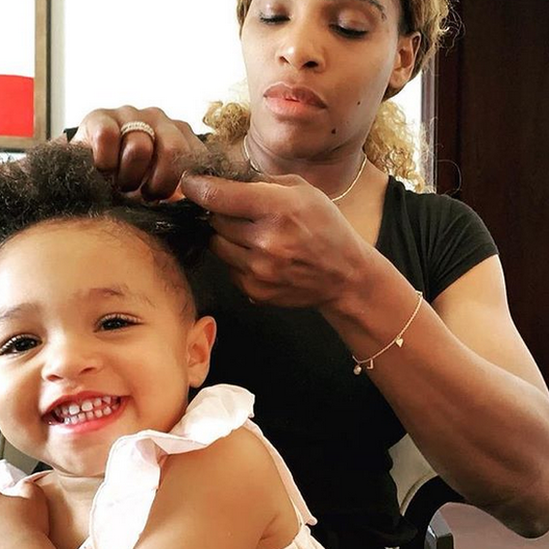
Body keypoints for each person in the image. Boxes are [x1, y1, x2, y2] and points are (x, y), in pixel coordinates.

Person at [8, 0, 549, 547]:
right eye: (272, 15)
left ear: (403, 58)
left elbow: (537, 488)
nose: (297, 50)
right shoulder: (140, 182)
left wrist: (356, 284)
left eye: (348, 26)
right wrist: (62, 179)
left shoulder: (438, 235)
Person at [0, 143, 325, 549]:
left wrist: (17, 538)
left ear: (195, 353)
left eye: (113, 322)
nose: (65, 362)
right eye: (21, 342)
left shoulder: (222, 462)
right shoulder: (21, 500)